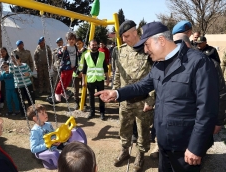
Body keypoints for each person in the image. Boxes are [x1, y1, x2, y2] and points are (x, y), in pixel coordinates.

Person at [95, 22, 219, 172]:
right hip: (164, 144)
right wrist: (117, 93)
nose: (145, 50)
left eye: (147, 45)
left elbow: (207, 109)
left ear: (161, 40)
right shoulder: (159, 64)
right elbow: (141, 86)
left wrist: (196, 147)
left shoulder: (198, 62)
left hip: (185, 147)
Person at [112, 20, 155, 171]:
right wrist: (115, 91)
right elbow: (118, 72)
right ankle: (124, 151)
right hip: (125, 100)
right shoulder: (121, 50)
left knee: (143, 130)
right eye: (122, 37)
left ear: (135, 32)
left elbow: (155, 76)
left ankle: (140, 155)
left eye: (126, 36)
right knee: (124, 127)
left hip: (142, 101)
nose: (124, 40)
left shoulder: (147, 49)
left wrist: (151, 100)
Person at [195, 36, 226, 133]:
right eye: (197, 43)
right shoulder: (196, 50)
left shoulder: (211, 51)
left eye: (200, 43)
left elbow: (217, 63)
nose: (198, 45)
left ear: (205, 42)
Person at [82, 39, 109, 120]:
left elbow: (105, 67)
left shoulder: (102, 54)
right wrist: (83, 80)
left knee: (101, 96)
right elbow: (84, 69)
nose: (94, 46)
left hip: (100, 79)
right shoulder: (86, 55)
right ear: (89, 46)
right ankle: (92, 112)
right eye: (92, 45)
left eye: (95, 44)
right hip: (90, 79)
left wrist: (107, 78)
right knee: (91, 97)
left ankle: (102, 113)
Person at [55, 32, 79, 102]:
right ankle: (57, 93)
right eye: (70, 39)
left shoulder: (75, 47)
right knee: (62, 81)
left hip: (71, 67)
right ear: (67, 40)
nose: (72, 41)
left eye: (73, 39)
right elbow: (59, 55)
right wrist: (62, 50)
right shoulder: (65, 47)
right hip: (65, 68)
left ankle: (63, 92)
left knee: (67, 81)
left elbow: (77, 55)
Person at [73, 37, 88, 109]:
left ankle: (83, 103)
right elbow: (72, 63)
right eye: (77, 43)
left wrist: (83, 72)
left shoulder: (86, 52)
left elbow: (88, 63)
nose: (78, 45)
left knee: (84, 88)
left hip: (84, 74)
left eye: (80, 43)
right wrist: (77, 72)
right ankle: (76, 103)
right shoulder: (73, 52)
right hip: (75, 74)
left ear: (83, 43)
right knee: (76, 90)